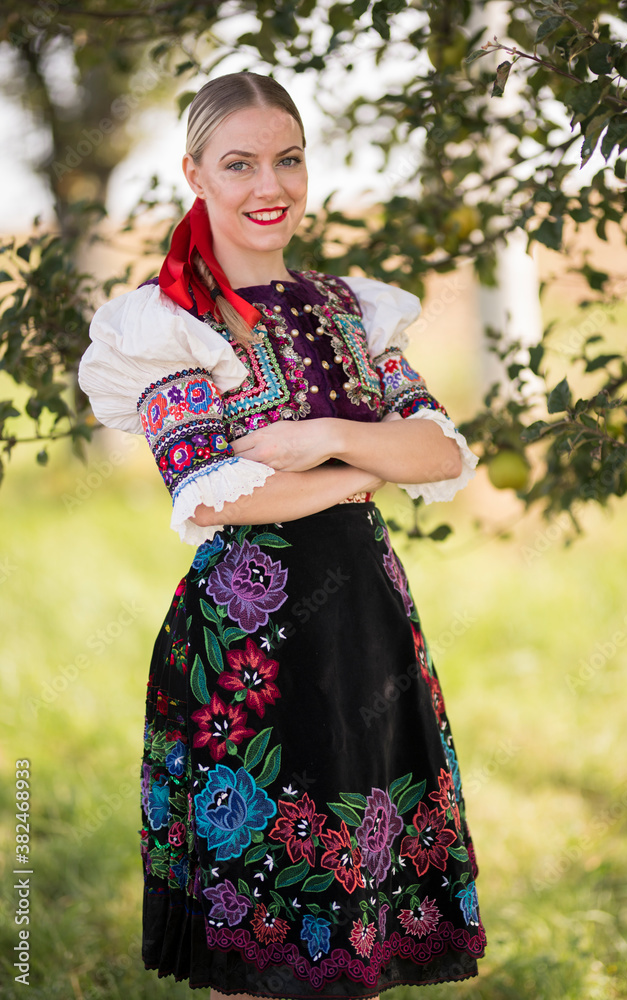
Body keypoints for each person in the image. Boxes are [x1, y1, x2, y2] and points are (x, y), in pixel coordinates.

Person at [78, 72, 485, 999]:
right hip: (246, 648)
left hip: (368, 638)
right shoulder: (172, 320)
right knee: (257, 945)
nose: (271, 185)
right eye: (240, 162)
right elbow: (212, 494)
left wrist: (331, 438)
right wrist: (362, 473)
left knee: (358, 921)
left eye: (288, 159)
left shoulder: (353, 309)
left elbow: (436, 450)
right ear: (194, 173)